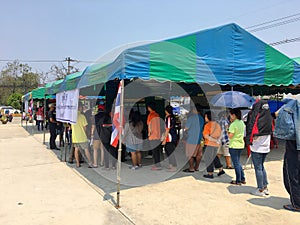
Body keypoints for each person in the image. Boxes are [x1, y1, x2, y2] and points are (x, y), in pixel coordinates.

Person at [274, 97, 300, 212]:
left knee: (291, 174)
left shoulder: (293, 103)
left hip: (294, 144)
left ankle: (297, 204)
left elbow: (278, 115)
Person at [246, 99, 273, 196]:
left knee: (258, 168)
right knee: (261, 166)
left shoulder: (256, 119)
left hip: (257, 147)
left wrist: (249, 140)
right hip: (266, 147)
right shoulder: (268, 118)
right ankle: (265, 187)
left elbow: (251, 130)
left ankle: (260, 189)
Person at [202, 111, 225, 179]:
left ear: (208, 117)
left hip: (209, 144)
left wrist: (214, 140)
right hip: (216, 145)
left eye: (206, 116)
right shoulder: (217, 124)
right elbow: (221, 133)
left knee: (208, 158)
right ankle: (220, 169)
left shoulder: (207, 125)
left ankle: (210, 173)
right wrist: (218, 140)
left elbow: (206, 136)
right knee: (214, 157)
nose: (205, 118)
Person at [182, 104, 204, 173]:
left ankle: (191, 168)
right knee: (199, 154)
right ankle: (196, 167)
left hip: (191, 139)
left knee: (190, 154)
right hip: (200, 139)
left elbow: (186, 128)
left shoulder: (191, 118)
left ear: (194, 110)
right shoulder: (202, 118)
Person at [71, 102, 93, 168]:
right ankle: (90, 163)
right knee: (86, 149)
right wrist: (87, 134)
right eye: (81, 107)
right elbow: (85, 127)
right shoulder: (82, 116)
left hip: (75, 136)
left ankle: (77, 163)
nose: (82, 108)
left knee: (76, 150)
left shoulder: (72, 117)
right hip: (82, 136)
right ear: (79, 107)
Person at [228, 108, 246, 185]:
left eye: (231, 115)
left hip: (234, 145)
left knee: (236, 163)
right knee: (238, 162)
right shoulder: (241, 122)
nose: (230, 116)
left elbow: (230, 136)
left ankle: (238, 180)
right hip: (241, 144)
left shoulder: (233, 124)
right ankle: (242, 178)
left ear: (234, 115)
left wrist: (227, 130)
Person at [146, 102, 162, 171]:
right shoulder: (157, 115)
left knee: (154, 152)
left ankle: (157, 165)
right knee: (157, 151)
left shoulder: (150, 115)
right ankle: (158, 164)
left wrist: (149, 133)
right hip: (158, 135)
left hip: (153, 136)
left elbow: (149, 125)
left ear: (150, 108)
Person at [162, 105, 177, 172]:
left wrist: (164, 139)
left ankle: (173, 166)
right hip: (172, 135)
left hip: (169, 136)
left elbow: (167, 129)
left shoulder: (168, 118)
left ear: (166, 111)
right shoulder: (172, 117)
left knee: (170, 151)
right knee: (168, 151)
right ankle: (171, 165)